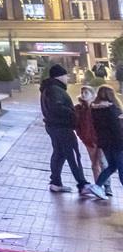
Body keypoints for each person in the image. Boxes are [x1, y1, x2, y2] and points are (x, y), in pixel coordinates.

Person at [42, 64, 101, 197]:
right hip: (62, 127)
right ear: (60, 76)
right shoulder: (55, 89)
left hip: (53, 126)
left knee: (59, 154)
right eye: (65, 75)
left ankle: (55, 182)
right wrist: (73, 113)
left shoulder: (49, 88)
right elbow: (58, 107)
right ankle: (82, 184)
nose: (67, 78)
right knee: (73, 154)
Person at [91, 86, 123, 196]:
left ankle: (97, 185)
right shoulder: (113, 109)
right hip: (117, 143)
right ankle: (97, 186)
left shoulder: (95, 110)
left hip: (104, 143)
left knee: (112, 166)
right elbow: (117, 128)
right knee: (121, 167)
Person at [76, 85, 103, 176]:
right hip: (89, 141)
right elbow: (77, 125)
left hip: (101, 140)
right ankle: (98, 185)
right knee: (95, 164)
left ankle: (107, 186)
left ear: (92, 95)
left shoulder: (98, 107)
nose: (83, 95)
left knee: (103, 163)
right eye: (82, 92)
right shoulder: (79, 108)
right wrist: (82, 136)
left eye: (86, 92)